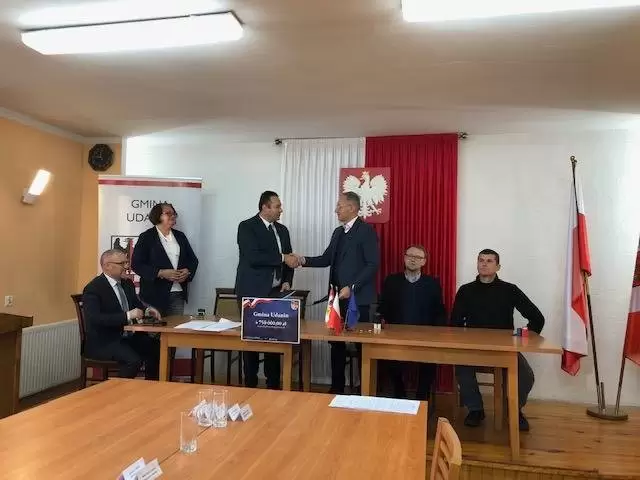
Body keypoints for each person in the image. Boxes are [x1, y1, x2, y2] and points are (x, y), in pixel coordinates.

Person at [451, 248, 545, 431]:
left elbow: (537, 318)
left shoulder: (510, 290)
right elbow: (455, 323)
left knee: (526, 376)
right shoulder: (465, 290)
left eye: (489, 261)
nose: (484, 264)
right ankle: (476, 410)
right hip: (473, 348)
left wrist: (519, 337)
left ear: (498, 266)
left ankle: (513, 410)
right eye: (481, 260)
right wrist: (464, 340)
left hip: (504, 349)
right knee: (461, 368)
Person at [297, 192, 379, 394]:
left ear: (352, 208)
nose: (336, 210)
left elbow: (372, 264)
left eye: (339, 206)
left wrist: (352, 287)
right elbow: (326, 259)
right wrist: (302, 260)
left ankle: (364, 392)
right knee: (336, 344)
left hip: (359, 300)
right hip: (336, 300)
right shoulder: (337, 232)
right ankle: (336, 388)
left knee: (362, 346)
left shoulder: (366, 231)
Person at [235, 191, 298, 389]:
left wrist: (287, 280)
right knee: (251, 342)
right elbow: (253, 257)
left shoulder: (282, 230)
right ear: (265, 207)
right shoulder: (247, 227)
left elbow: (289, 258)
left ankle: (273, 385)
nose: (281, 210)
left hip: (275, 292)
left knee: (274, 340)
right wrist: (283, 258)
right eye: (277, 206)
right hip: (251, 292)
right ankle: (250, 384)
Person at [378, 245, 446, 401]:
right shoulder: (392, 281)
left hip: (425, 336)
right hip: (396, 334)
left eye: (418, 257)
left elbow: (439, 310)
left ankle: (421, 397)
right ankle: (399, 393)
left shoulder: (432, 283)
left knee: (431, 359)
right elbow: (383, 308)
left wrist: (437, 333)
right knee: (388, 356)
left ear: (424, 262)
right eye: (410, 256)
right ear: (404, 258)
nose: (413, 260)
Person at [82, 249, 162, 380]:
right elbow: (95, 318)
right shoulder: (93, 288)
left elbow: (136, 304)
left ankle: (151, 387)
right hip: (104, 341)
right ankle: (116, 390)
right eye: (122, 263)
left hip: (127, 337)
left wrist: (147, 310)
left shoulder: (127, 283)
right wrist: (128, 316)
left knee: (157, 348)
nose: (126, 266)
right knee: (133, 361)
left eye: (126, 262)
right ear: (107, 266)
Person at [131, 202, 199, 317]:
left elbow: (193, 260)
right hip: (153, 293)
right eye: (168, 213)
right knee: (154, 327)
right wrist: (160, 273)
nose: (173, 216)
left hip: (177, 292)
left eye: (174, 213)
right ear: (158, 216)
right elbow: (137, 264)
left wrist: (188, 271)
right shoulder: (146, 237)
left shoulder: (180, 236)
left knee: (176, 326)